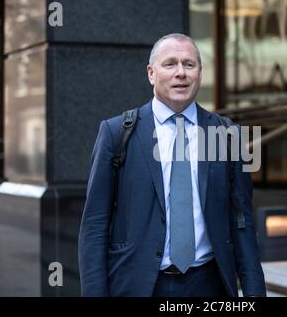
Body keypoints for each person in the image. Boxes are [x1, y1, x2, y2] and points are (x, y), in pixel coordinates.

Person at [78, 33, 266, 297]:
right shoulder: (116, 133)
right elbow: (95, 224)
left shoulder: (227, 135)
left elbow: (242, 222)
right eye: (170, 64)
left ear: (200, 74)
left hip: (210, 286)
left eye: (189, 65)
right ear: (151, 73)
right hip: (139, 286)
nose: (181, 73)